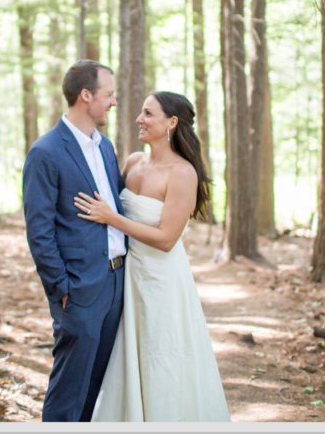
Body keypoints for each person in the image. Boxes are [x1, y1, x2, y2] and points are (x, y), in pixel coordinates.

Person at [74, 90, 230, 422]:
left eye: (147, 114)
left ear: (171, 122)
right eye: (141, 113)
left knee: (161, 354)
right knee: (126, 356)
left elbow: (166, 239)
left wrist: (111, 218)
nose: (138, 119)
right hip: (126, 277)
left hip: (162, 281)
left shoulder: (183, 173)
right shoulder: (132, 161)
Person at [22, 60, 127, 422]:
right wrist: (62, 287)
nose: (114, 102)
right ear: (86, 96)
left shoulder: (106, 147)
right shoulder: (46, 152)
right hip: (79, 288)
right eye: (109, 94)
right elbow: (40, 230)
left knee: (94, 385)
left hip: (116, 281)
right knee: (69, 387)